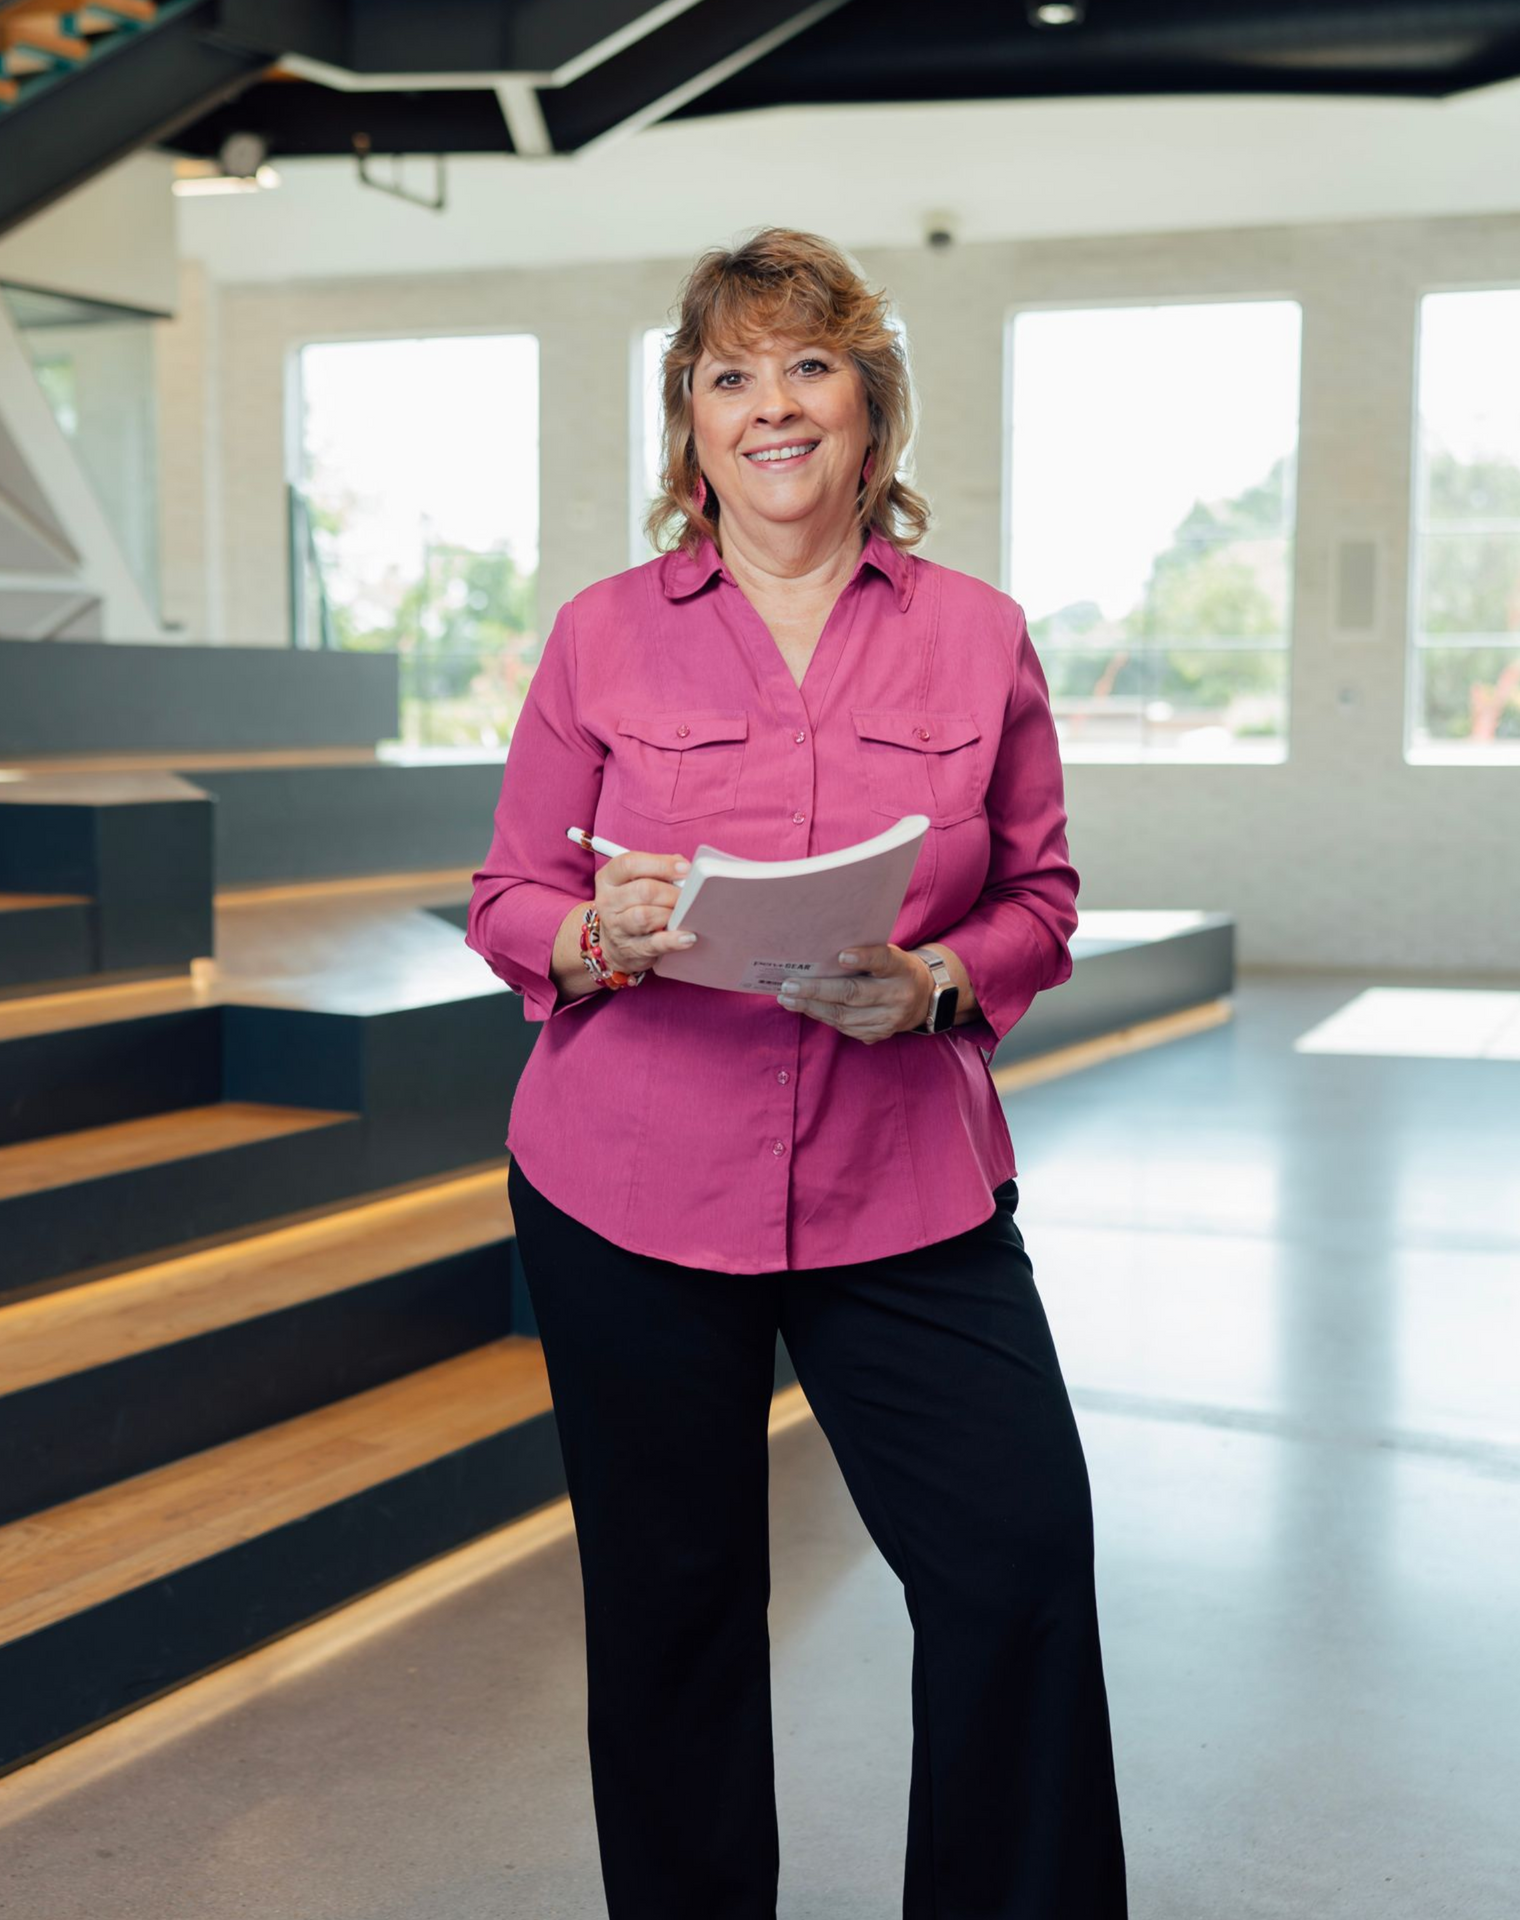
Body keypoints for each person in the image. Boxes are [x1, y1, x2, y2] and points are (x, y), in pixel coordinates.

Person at [465, 227, 1127, 1920]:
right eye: (730, 375)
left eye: (810, 366)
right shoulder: (602, 635)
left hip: (900, 1175)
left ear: (872, 416)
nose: (773, 407)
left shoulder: (978, 635)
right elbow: (507, 898)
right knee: (673, 1613)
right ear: (688, 427)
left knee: (1020, 1563)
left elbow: (1043, 898)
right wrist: (598, 934)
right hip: (629, 1182)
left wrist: (936, 982)